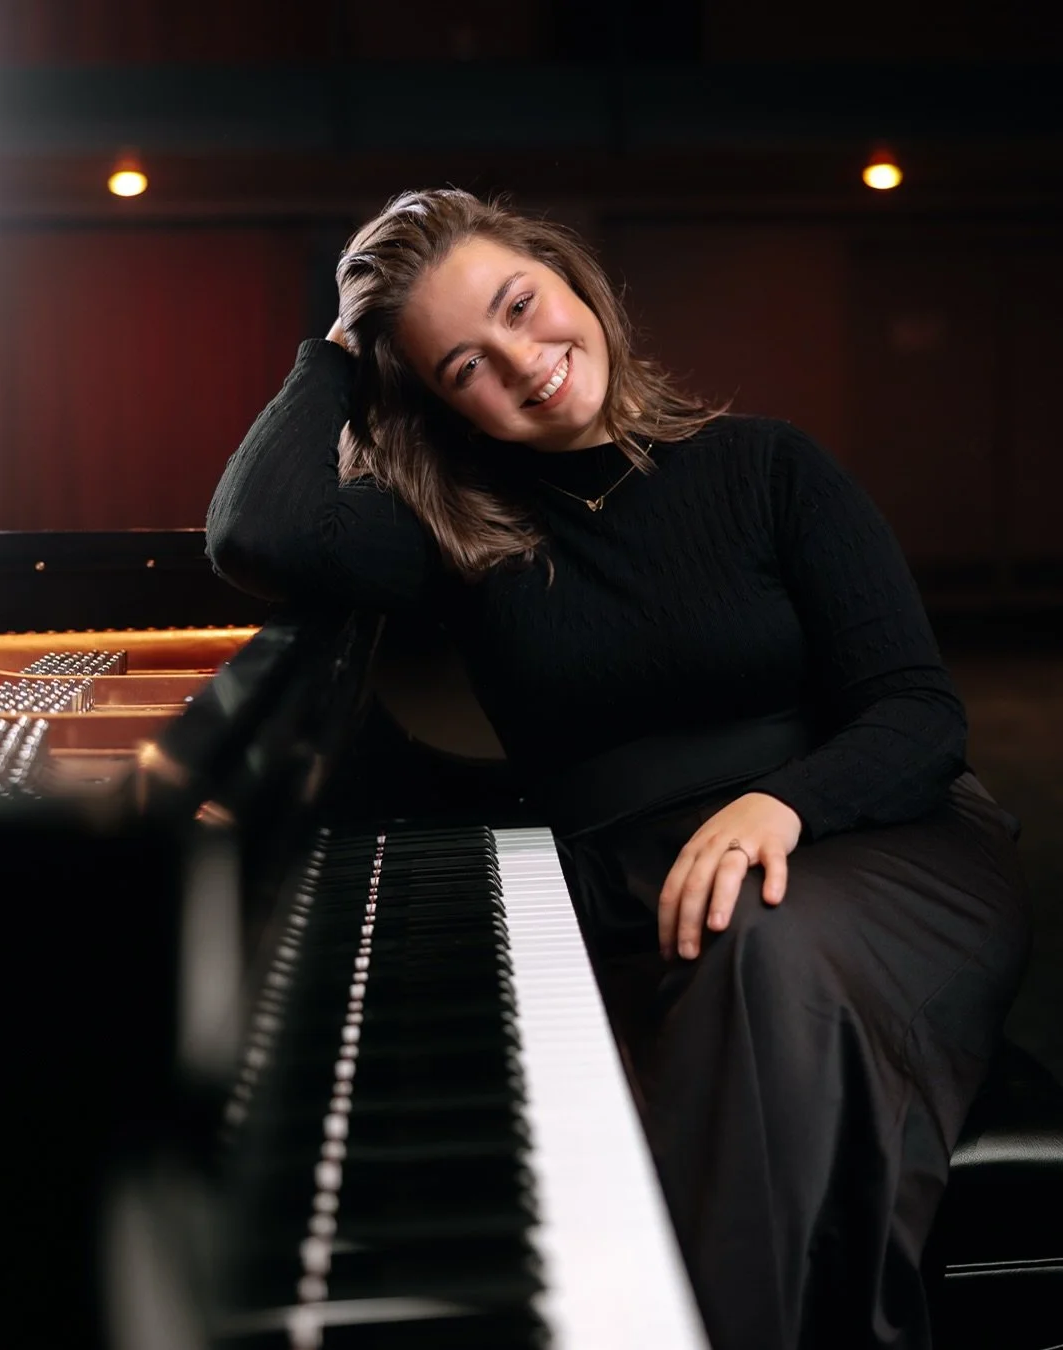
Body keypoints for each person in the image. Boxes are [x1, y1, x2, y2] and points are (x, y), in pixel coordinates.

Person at [205, 188, 1030, 1350]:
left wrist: (777, 805)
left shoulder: (766, 467)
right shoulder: (459, 533)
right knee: (725, 973)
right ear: (436, 401)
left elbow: (917, 713)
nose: (525, 362)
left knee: (761, 947)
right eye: (466, 366)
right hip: (636, 881)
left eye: (521, 305)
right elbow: (255, 531)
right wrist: (341, 353)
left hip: (879, 841)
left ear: (572, 278)